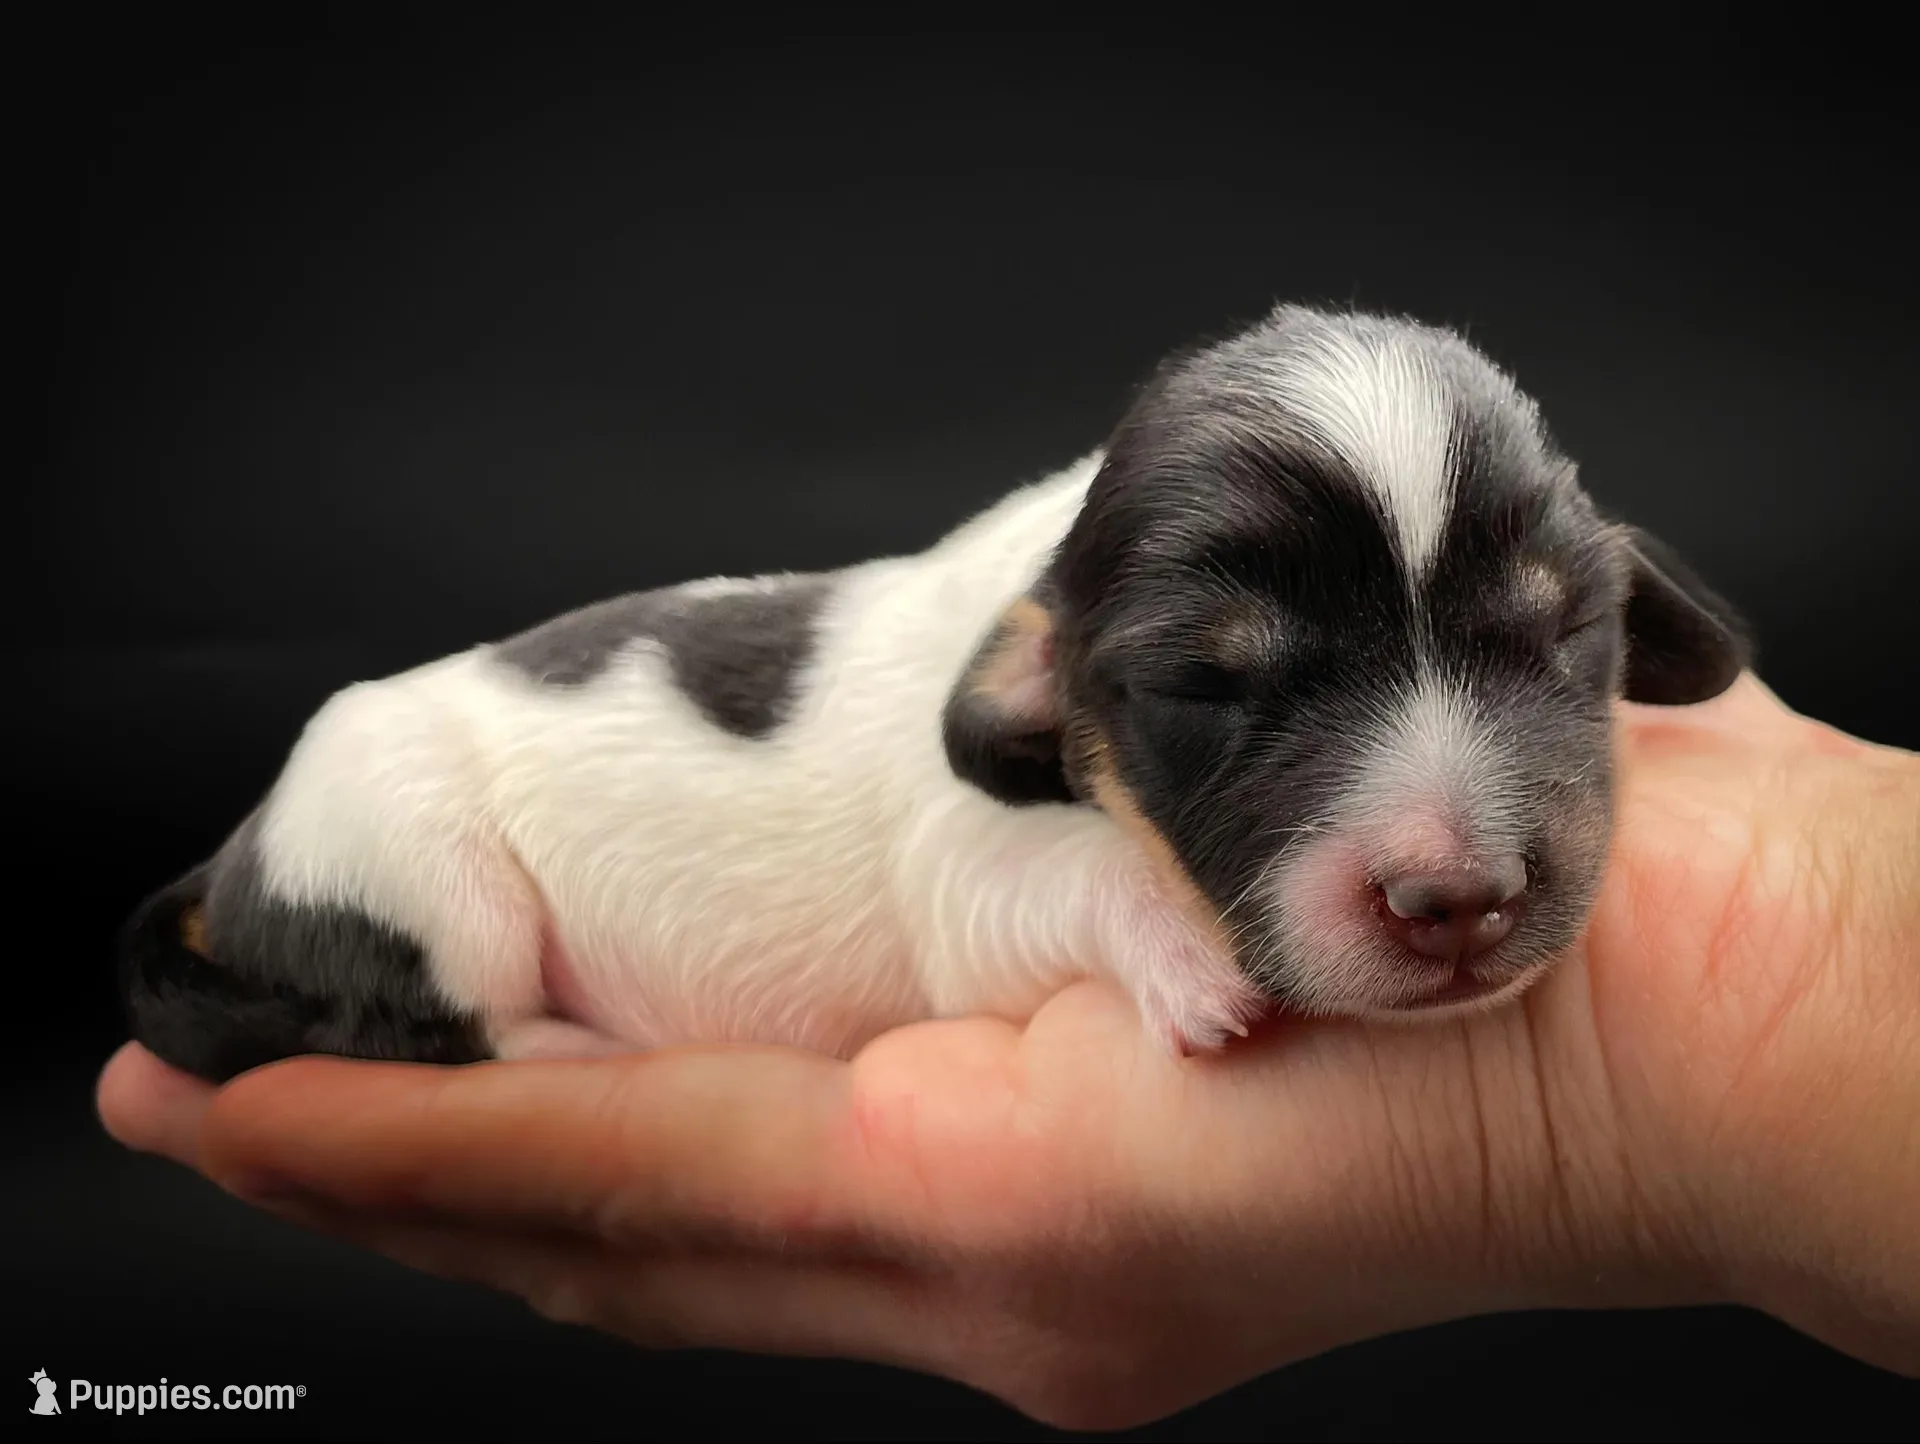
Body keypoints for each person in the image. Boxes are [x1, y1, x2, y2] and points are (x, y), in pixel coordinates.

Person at [95, 673, 1919, 1430]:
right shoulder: (992, 696)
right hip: (423, 805)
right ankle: (482, 1034)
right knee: (402, 786)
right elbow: (982, 864)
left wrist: (1690, 1032)